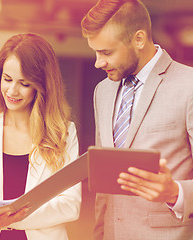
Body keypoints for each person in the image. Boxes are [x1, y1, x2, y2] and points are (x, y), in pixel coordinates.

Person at [0, 33, 82, 240]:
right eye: (7, 79)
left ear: (42, 86)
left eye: (24, 84)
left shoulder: (63, 133)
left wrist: (8, 218)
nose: (12, 90)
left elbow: (70, 205)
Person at [81, 0, 193, 239]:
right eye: (95, 51)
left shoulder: (189, 86)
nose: (98, 62)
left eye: (106, 52)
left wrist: (176, 193)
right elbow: (103, 188)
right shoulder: (103, 91)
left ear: (139, 39)